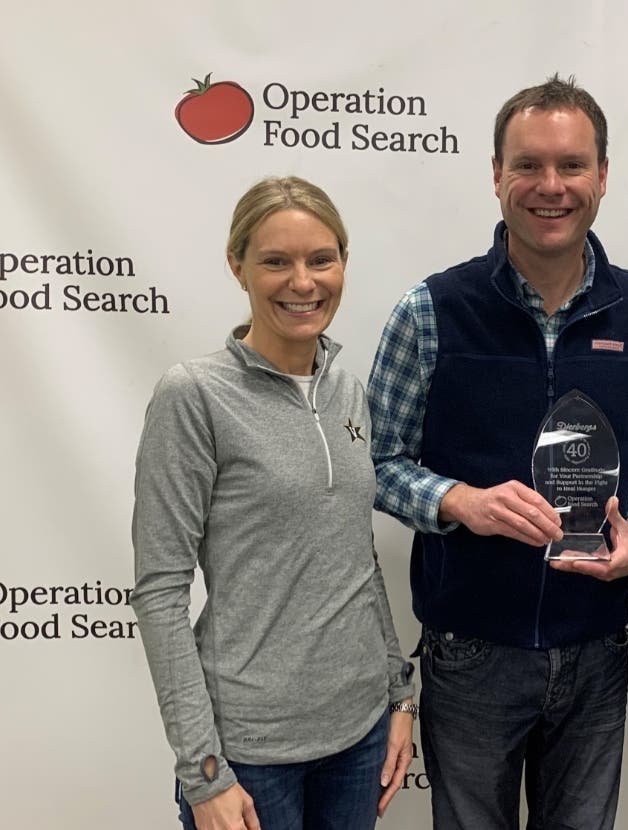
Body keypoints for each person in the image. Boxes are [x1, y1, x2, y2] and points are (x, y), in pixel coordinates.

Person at [367, 74, 628, 829]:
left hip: (596, 650)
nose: (551, 186)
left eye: (571, 165)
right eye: (528, 165)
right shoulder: (432, 311)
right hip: (469, 652)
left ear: (602, 176)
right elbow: (375, 461)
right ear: (496, 175)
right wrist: (456, 502)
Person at [131, 176, 416, 830]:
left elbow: (354, 555)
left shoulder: (347, 390)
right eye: (275, 262)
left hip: (358, 734)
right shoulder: (194, 396)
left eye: (321, 259)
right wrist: (202, 770)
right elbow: (159, 589)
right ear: (237, 266)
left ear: (343, 262)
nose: (303, 282)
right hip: (251, 754)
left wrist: (399, 697)